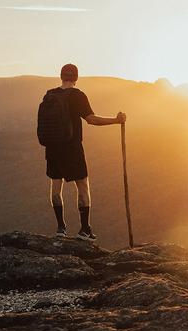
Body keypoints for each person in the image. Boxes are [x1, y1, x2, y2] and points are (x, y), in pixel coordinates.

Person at [45, 63, 126, 241]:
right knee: (82, 186)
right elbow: (92, 120)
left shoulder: (50, 95)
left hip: (52, 147)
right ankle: (84, 229)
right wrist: (116, 120)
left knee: (55, 187)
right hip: (71, 147)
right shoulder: (77, 96)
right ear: (76, 78)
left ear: (61, 76)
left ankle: (60, 228)